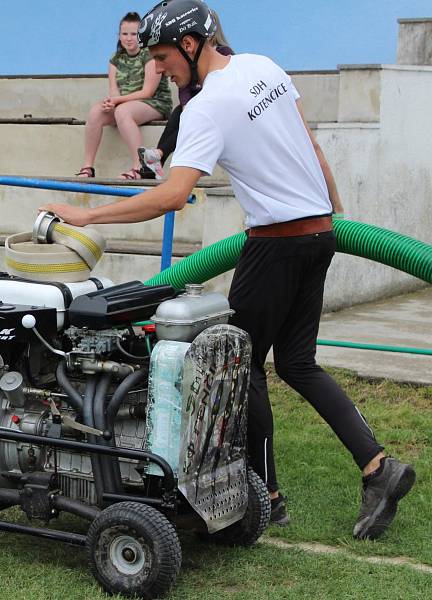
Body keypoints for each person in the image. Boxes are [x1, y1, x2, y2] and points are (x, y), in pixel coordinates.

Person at [44, 0, 414, 539]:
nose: (161, 68)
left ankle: (265, 494)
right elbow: (310, 145)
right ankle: (378, 468)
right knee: (296, 362)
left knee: (242, 365)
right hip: (318, 234)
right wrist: (331, 218)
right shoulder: (263, 67)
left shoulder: (208, 106)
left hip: (276, 245)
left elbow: (172, 195)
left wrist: (85, 214)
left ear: (192, 45)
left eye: (165, 56)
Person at [75, 11, 173, 180]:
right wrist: (111, 102)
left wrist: (117, 102)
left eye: (134, 34)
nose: (129, 38)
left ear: (141, 35)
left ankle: (139, 167)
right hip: (126, 104)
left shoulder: (149, 54)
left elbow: (147, 92)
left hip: (154, 103)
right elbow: (114, 89)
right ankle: (88, 167)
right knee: (95, 112)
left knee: (122, 112)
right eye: (124, 34)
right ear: (119, 36)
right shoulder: (115, 58)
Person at [137, 8, 233, 179]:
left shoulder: (225, 54)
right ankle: (159, 156)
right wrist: (187, 105)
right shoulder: (188, 68)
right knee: (181, 113)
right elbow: (184, 89)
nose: (158, 69)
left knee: (191, 115)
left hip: (210, 107)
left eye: (161, 58)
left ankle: (158, 155)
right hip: (195, 105)